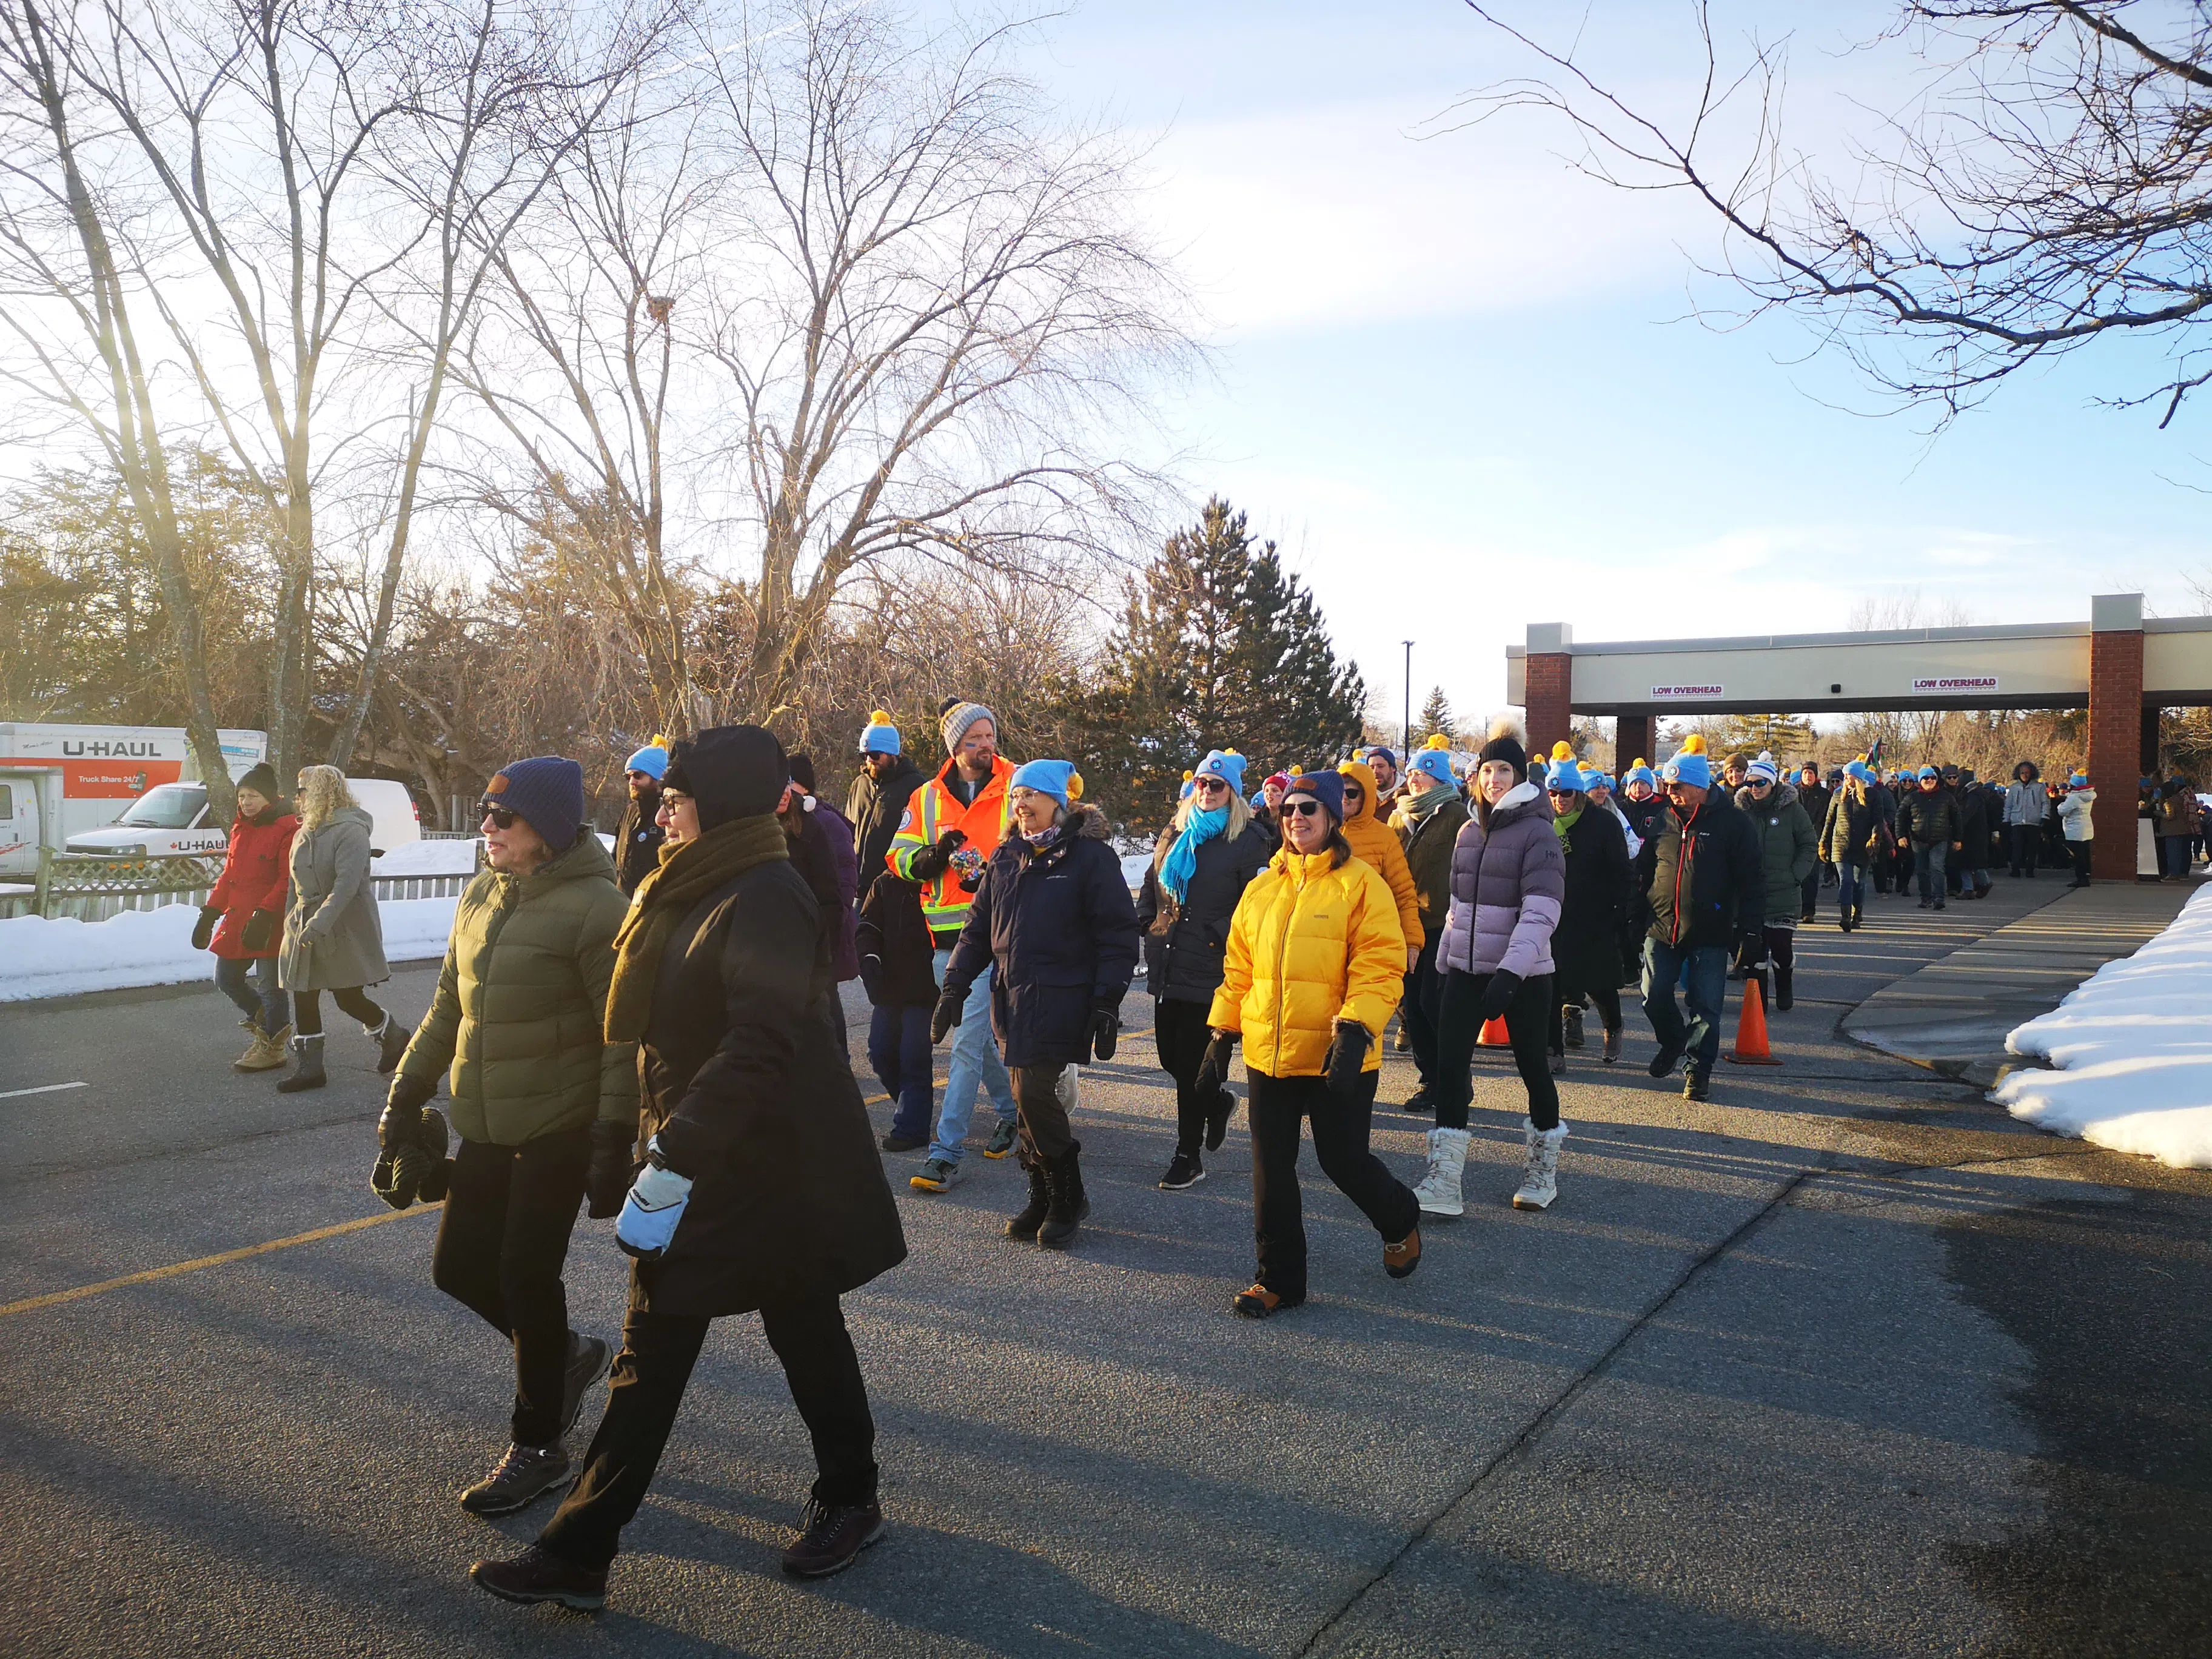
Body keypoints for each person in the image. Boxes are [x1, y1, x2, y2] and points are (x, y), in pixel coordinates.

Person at [471, 726, 906, 1609]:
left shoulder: (769, 893)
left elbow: (763, 1040)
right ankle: (582, 1551)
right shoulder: (687, 885)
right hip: (704, 1151)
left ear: (721, 804)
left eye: (675, 798)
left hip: (772, 1164)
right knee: (655, 1352)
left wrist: (674, 1153)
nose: (660, 811)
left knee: (802, 1335)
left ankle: (849, 1497)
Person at [381, 756, 633, 1517]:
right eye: (487, 815)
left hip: (560, 1126)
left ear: (550, 833)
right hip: (486, 1124)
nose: (487, 828)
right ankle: (568, 1356)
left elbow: (622, 1038)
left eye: (504, 818)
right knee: (459, 1268)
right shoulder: (482, 893)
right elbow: (444, 1009)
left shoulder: (598, 908)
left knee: (527, 1275)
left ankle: (538, 1446)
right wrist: (406, 1096)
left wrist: (613, 1138)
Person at [1198, 769, 1422, 1315]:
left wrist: (1354, 1030)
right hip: (1269, 1052)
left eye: (1309, 809)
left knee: (1342, 1161)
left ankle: (1399, 1218)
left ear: (1331, 818)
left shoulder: (1362, 884)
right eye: (1290, 809)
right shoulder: (1261, 888)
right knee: (1271, 1168)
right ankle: (1277, 1280)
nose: (1297, 817)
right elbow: (1239, 971)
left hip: (1337, 1052)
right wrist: (1220, 1036)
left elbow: (1380, 967)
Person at [935, 760, 1139, 1246]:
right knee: (1026, 1101)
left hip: (1063, 997)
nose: (1020, 805)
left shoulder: (1089, 858)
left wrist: (1108, 1001)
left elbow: (1117, 934)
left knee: (1031, 1092)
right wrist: (953, 987)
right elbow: (977, 930)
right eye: (1015, 796)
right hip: (1011, 999)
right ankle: (1042, 1194)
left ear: (1056, 802)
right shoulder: (1006, 856)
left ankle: (1068, 1193)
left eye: (1029, 795)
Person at [1422, 720, 1568, 1213]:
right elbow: (1457, 909)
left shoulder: (1538, 833)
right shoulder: (1467, 831)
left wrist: (1510, 972)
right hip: (1464, 968)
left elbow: (1543, 909)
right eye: (1487, 769)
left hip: (1524, 975)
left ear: (1521, 775)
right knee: (1449, 1069)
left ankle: (1542, 1170)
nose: (1494, 779)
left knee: (1532, 1067)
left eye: (1504, 769)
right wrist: (1442, 967)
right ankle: (1445, 1181)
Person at [887, 699, 1021, 1190]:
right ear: (955, 747)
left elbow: (1041, 842)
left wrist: (998, 874)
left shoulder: (1016, 784)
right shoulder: (925, 798)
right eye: (974, 739)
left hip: (1000, 933)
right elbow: (897, 856)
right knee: (976, 1037)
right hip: (946, 938)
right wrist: (928, 858)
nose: (985, 745)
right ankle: (1013, 1113)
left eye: (989, 735)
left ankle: (945, 1154)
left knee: (964, 1042)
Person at [1134, 748, 1273, 1188]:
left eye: (1217, 785)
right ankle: (1215, 1105)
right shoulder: (1176, 830)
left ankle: (1187, 1154)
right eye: (1201, 783)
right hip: (1169, 961)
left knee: (1194, 1066)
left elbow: (1256, 906)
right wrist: (1146, 923)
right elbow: (1152, 884)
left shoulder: (1249, 839)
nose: (1207, 791)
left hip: (1214, 969)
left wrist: (1221, 936)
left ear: (1233, 793)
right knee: (1171, 1059)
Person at [1637, 736, 1763, 1103]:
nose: (1671, 792)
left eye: (1677, 787)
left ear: (1699, 786)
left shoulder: (1733, 824)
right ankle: (1674, 1040)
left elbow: (1752, 880)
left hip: (1710, 930)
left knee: (1706, 1006)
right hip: (1662, 926)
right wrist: (1633, 915)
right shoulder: (1663, 819)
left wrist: (1751, 930)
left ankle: (1697, 1070)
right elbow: (1644, 870)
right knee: (1653, 995)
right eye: (1667, 786)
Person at [275, 766, 408, 1091]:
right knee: (303, 993)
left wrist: (319, 923)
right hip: (306, 924)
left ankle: (394, 1036)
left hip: (343, 925)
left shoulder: (352, 831)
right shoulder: (304, 831)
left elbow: (347, 886)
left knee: (347, 996)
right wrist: (290, 922)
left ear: (321, 792)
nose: (298, 798)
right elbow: (295, 884)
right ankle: (311, 1069)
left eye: (303, 791)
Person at [194, 762, 298, 1071]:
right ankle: (266, 1019)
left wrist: (265, 915)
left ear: (269, 798)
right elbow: (230, 876)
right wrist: (209, 914)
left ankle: (272, 1047)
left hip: (270, 919)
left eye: (252, 795)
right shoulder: (241, 827)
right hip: (239, 917)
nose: (246, 802)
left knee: (270, 985)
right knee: (226, 978)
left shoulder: (287, 827)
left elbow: (286, 880)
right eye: (242, 796)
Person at [1389, 737, 1470, 1114]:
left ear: (1440, 779)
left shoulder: (1457, 816)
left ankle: (1452, 1080)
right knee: (1412, 1007)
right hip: (1404, 924)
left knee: (1432, 1003)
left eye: (1422, 773)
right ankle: (1430, 1079)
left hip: (1442, 923)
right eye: (1411, 773)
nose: (1414, 780)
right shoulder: (1397, 814)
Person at [1541, 752, 1631, 1070]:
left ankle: (1613, 1027)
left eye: (1566, 792)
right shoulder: (1541, 822)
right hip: (1552, 915)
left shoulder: (1603, 823)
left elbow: (1621, 870)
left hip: (1594, 915)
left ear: (1578, 793)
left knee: (1599, 984)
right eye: (1552, 793)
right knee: (1549, 983)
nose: (1559, 799)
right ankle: (1553, 1050)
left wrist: (1619, 911)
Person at [857, 870, 937, 1153]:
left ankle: (911, 1127)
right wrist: (868, 959)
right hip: (889, 987)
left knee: (914, 1056)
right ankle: (911, 1105)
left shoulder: (940, 880)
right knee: (880, 1053)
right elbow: (868, 927)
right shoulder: (884, 883)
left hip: (927, 986)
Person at [1735, 754, 1817, 1010]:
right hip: (1751, 894)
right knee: (1754, 952)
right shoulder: (1739, 812)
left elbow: (1808, 844)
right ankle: (1759, 1004)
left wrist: (1795, 875)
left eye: (1760, 783)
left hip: (1783, 892)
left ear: (1772, 784)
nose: (1754, 789)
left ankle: (1784, 986)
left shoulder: (1792, 809)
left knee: (1781, 947)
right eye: (1750, 784)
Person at [1335, 757, 1424, 968]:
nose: (1344, 799)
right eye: (1340, 792)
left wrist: (1412, 941)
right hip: (1324, 938)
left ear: (1366, 796)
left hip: (1369, 940)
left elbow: (1403, 893)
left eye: (1352, 793)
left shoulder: (1384, 837)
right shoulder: (1322, 829)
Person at [845, 712, 925, 888]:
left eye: (874, 755)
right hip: (856, 887)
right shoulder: (859, 785)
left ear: (891, 753)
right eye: (864, 755)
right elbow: (848, 832)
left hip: (893, 890)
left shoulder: (915, 787)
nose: (869, 760)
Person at [1822, 762, 1885, 932]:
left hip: (1862, 846)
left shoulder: (1872, 795)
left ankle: (1857, 914)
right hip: (1841, 844)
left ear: (1857, 776)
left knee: (1859, 882)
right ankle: (1845, 917)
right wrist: (1823, 843)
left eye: (1848, 775)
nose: (1845, 778)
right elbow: (1829, 821)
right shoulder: (1837, 795)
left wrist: (1875, 838)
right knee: (1846, 880)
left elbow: (1878, 820)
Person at [1897, 766, 1960, 910]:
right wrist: (1901, 836)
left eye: (1932, 778)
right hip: (1918, 839)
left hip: (1940, 839)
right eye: (1926, 778)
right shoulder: (1912, 798)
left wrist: (1958, 838)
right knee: (1922, 870)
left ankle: (1939, 898)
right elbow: (1900, 817)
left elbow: (1956, 818)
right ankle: (1926, 898)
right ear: (1920, 781)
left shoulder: (1946, 797)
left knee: (1937, 867)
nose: (1930, 781)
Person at [614, 740, 668, 897]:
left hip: (654, 904)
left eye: (638, 775)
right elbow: (616, 858)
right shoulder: (629, 812)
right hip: (623, 905)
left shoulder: (669, 813)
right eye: (628, 776)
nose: (632, 782)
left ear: (656, 776)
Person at [1794, 763, 1831, 920]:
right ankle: (1795, 908)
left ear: (1816, 776)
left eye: (1811, 773)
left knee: (1811, 877)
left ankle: (1808, 911)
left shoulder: (1824, 794)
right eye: (1805, 773)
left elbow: (1829, 818)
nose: (1808, 776)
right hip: (1794, 839)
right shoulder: (1793, 793)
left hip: (1815, 839)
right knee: (1795, 876)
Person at [2152, 770, 2198, 882]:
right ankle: (2182, 873)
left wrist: (2158, 813)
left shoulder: (2169, 802)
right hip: (2184, 828)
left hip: (2172, 830)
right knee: (2182, 852)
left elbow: (2170, 816)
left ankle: (2173, 874)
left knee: (2173, 853)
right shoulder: (2181, 797)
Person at [2003, 762, 2045, 877]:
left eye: (2027, 773)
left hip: (2034, 822)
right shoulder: (2013, 788)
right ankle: (2015, 869)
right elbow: (2008, 805)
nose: (2025, 775)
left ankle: (2030, 870)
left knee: (2032, 848)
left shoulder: (2039, 788)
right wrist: (2006, 820)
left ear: (2032, 773)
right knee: (2017, 847)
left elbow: (2045, 803)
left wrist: (2044, 817)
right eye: (2022, 773)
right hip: (2017, 821)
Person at [2059, 771, 2096, 886]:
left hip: (2075, 830)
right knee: (2085, 854)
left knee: (2077, 856)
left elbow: (2062, 811)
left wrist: (2060, 805)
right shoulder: (2089, 795)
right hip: (2086, 828)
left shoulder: (2074, 797)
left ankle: (2081, 878)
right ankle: (2086, 876)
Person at [1362, 746, 1404, 818]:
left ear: (1393, 768)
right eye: (1372, 767)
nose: (1375, 771)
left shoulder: (1407, 793)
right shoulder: (1362, 795)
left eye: (1381, 766)